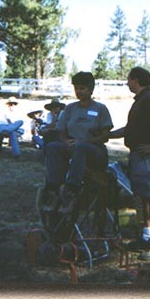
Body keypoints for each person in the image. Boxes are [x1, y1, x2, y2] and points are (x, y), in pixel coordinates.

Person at [109, 67, 150, 261]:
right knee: (142, 196)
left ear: (136, 80)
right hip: (136, 153)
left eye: (128, 79)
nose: (127, 83)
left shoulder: (149, 100)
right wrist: (108, 135)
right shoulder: (141, 101)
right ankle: (146, 236)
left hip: (145, 155)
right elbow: (131, 129)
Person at [42, 72, 114, 215]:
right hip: (74, 146)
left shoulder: (100, 109)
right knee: (52, 147)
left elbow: (105, 136)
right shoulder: (70, 108)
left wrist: (85, 141)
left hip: (95, 150)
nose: (79, 92)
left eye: (82, 88)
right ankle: (54, 189)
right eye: (76, 88)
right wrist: (65, 141)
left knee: (80, 147)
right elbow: (61, 130)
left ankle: (72, 192)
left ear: (91, 89)